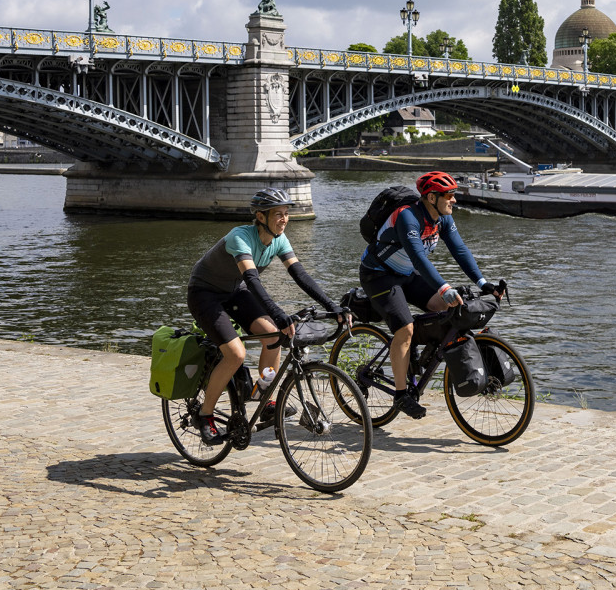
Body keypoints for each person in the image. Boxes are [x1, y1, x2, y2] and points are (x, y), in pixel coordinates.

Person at [187, 188, 347, 444]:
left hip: (234, 291)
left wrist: (332, 305)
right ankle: (204, 414)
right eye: (278, 214)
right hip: (205, 293)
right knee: (236, 354)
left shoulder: (279, 240)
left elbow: (300, 275)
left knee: (273, 337)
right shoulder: (240, 237)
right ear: (261, 217)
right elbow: (252, 280)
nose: (284, 219)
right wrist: (279, 313)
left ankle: (267, 400)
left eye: (286, 214)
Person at [359, 170, 501, 419]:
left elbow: (459, 249)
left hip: (407, 274)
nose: (454, 199)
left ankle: (420, 355)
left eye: (453, 194)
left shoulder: (442, 218)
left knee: (451, 310)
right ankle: (401, 395)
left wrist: (482, 281)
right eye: (449, 195)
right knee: (405, 328)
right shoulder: (407, 216)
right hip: (379, 275)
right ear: (432, 198)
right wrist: (444, 288)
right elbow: (419, 258)